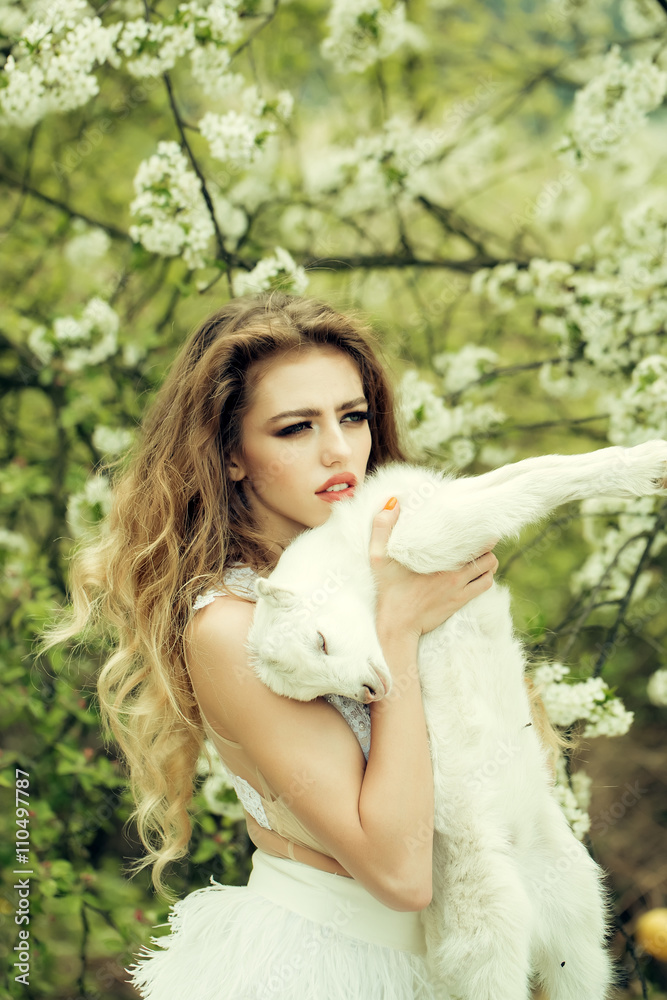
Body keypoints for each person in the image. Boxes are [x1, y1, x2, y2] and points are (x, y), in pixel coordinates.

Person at [42, 290, 562, 999]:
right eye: (294, 428)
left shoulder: (387, 574)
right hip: (327, 967)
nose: (339, 450)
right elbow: (399, 874)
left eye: (353, 416)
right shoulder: (232, 627)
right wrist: (398, 635)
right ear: (230, 454)